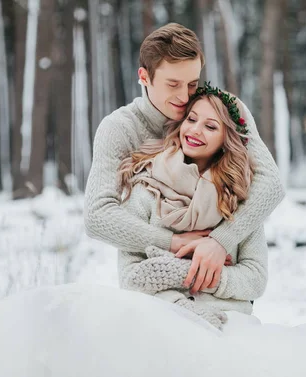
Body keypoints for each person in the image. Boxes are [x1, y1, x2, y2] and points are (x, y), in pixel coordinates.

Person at [84, 23, 284, 286]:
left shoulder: (222, 109)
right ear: (144, 77)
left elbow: (271, 183)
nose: (184, 97)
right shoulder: (119, 128)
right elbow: (97, 216)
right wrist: (172, 242)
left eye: (192, 83)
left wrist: (219, 241)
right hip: (154, 282)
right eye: (173, 84)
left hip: (226, 278)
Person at [116, 83, 268, 329]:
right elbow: (131, 277)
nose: (195, 130)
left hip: (231, 324)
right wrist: (181, 302)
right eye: (191, 119)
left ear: (226, 139)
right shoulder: (145, 185)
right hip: (162, 320)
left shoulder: (240, 196)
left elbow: (255, 278)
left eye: (210, 126)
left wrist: (193, 274)